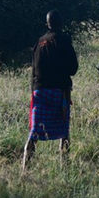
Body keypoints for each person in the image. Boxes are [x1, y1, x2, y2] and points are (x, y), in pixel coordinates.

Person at [22, 10, 78, 170]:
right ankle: (65, 168)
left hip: (39, 92)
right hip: (60, 92)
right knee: (63, 131)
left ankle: (24, 170)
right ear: (61, 24)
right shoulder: (64, 40)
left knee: (34, 133)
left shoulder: (39, 42)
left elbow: (33, 71)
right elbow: (73, 68)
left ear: (47, 24)